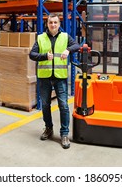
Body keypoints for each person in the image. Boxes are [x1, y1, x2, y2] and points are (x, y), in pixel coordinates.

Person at [29, 13, 80, 149]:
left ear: (59, 24)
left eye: (55, 22)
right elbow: (32, 55)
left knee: (63, 105)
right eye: (50, 22)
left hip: (60, 77)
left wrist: (68, 50)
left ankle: (64, 134)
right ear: (47, 24)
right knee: (45, 105)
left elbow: (77, 46)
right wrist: (44, 56)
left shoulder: (65, 37)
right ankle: (48, 128)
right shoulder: (40, 38)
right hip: (44, 77)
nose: (53, 25)